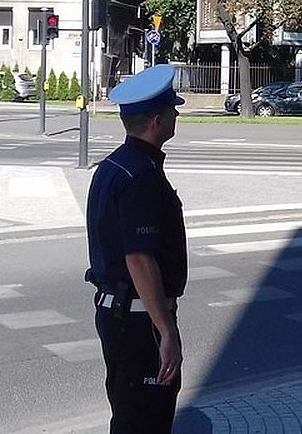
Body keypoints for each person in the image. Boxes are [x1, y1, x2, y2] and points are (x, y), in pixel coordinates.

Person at [85, 64, 188, 433]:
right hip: (138, 320)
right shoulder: (141, 175)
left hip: (119, 315)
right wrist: (167, 333)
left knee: (129, 415)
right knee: (146, 419)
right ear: (157, 120)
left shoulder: (114, 166)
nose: (177, 114)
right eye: (173, 110)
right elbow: (139, 258)